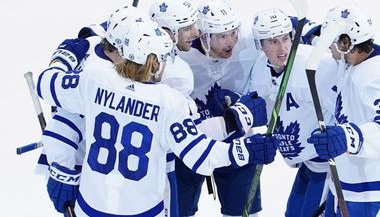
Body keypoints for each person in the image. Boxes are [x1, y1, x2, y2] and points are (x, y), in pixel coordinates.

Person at [36, 18, 279, 216]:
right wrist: (246, 149)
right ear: (153, 62)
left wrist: (64, 57)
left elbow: (46, 85)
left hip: (91, 207)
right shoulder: (169, 103)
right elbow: (200, 156)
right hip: (144, 210)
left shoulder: (94, 81)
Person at [307, 5, 380, 216]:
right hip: (350, 173)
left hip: (377, 182)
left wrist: (346, 136)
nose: (327, 46)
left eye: (331, 40)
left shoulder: (377, 78)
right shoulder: (355, 56)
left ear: (346, 44)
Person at [171, 0, 263, 217]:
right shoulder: (178, 56)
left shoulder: (248, 44)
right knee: (178, 212)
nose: (230, 41)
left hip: (236, 141)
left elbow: (286, 28)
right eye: (222, 36)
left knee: (243, 214)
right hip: (191, 144)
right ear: (203, 36)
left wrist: (311, 34)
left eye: (233, 33)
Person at [247, 7, 337, 217]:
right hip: (307, 164)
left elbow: (346, 105)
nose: (282, 48)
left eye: (285, 38)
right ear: (259, 44)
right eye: (272, 41)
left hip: (328, 165)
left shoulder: (316, 65)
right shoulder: (260, 68)